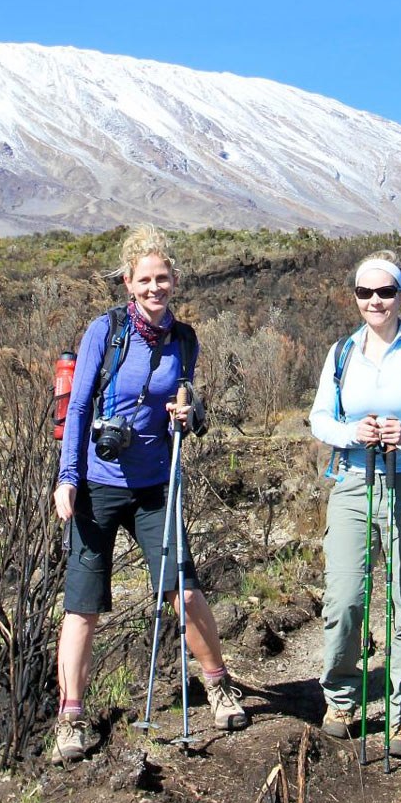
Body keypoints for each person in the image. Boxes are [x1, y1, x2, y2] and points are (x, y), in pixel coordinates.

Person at [53, 226, 247, 764]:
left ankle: (219, 685)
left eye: (162, 278)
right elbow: (77, 411)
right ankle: (70, 718)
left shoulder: (184, 339)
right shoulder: (105, 331)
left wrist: (191, 412)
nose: (154, 288)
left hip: (156, 484)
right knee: (82, 607)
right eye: (144, 279)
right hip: (97, 484)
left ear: (175, 280)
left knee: (182, 591)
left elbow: (186, 400)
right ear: (127, 281)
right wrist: (68, 477)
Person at [308, 251, 401, 760]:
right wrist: (353, 433)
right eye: (365, 292)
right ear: (354, 297)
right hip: (353, 484)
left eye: (385, 291)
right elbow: (320, 419)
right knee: (345, 598)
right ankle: (342, 699)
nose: (376, 301)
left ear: (400, 293)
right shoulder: (342, 352)